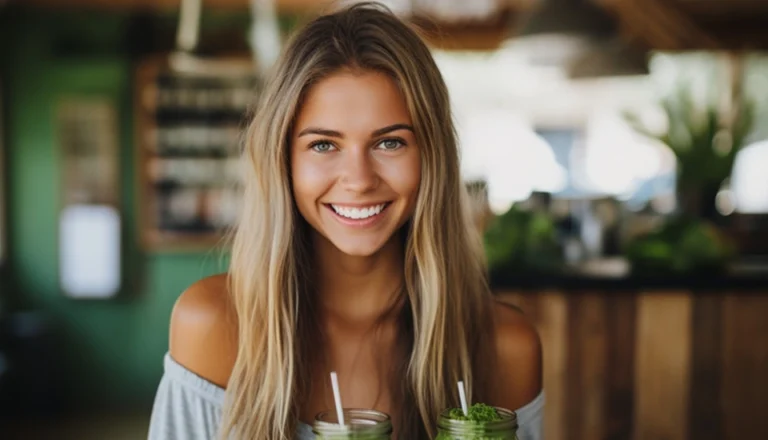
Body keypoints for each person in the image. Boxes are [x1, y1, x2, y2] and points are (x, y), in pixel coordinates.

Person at [148, 2, 543, 439]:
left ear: (432, 158)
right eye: (323, 145)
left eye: (390, 143)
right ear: (283, 159)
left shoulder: (507, 347)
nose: (358, 180)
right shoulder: (212, 326)